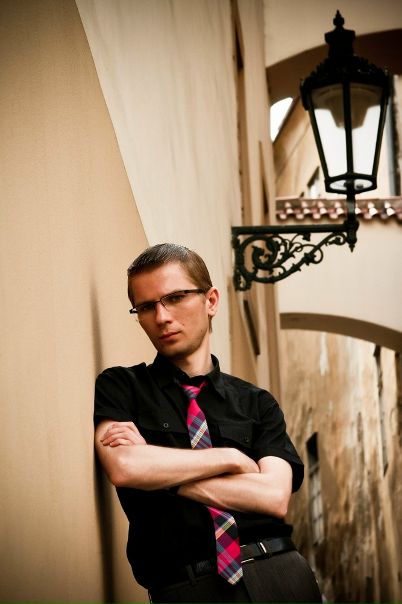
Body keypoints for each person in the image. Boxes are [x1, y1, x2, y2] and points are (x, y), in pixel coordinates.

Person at [94, 243, 322, 604]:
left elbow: (273, 497)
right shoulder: (121, 387)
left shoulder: (256, 402)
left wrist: (160, 476)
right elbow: (125, 467)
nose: (161, 317)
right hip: (187, 587)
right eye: (146, 306)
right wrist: (230, 459)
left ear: (211, 300)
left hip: (278, 571)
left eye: (175, 298)